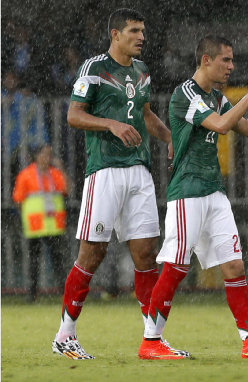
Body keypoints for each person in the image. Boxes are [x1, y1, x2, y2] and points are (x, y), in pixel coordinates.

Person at [138, 35, 248, 360]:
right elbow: (219, 125)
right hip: (187, 191)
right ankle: (151, 342)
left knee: (234, 265)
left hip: (214, 191)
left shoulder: (216, 97)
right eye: (225, 60)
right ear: (206, 60)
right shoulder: (185, 93)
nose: (231, 66)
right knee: (175, 266)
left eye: (232, 61)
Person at [51, 8, 175, 360]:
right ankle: (65, 334)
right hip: (104, 170)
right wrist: (111, 124)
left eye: (143, 31)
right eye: (134, 30)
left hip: (139, 170)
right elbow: (74, 115)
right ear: (115, 35)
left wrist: (169, 139)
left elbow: (146, 113)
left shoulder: (141, 70)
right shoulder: (94, 68)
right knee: (93, 254)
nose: (142, 37)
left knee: (146, 254)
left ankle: (152, 339)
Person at [12, 144, 68, 302]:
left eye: (49, 154)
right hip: (35, 226)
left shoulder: (55, 173)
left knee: (59, 261)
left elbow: (67, 189)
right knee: (34, 262)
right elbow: (18, 199)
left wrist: (61, 168)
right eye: (44, 154)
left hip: (54, 225)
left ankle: (64, 293)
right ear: (36, 156)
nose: (47, 158)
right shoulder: (26, 175)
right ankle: (32, 294)